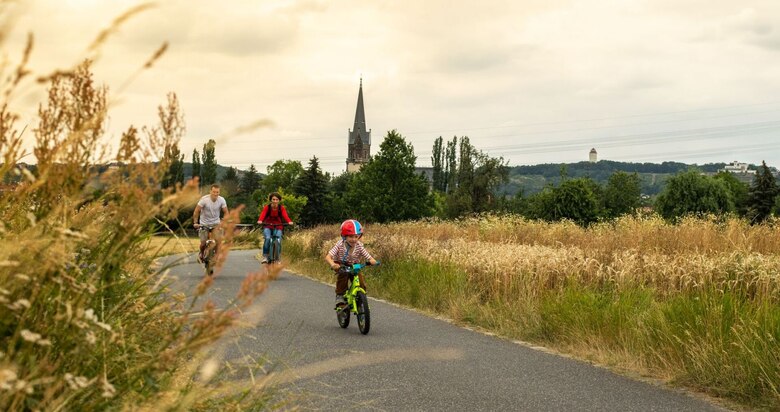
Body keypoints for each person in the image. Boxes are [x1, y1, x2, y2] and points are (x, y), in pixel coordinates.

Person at [325, 219, 378, 308]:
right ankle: (340, 296)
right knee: (343, 277)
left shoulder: (359, 246)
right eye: (350, 236)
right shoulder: (340, 245)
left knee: (361, 283)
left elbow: (367, 255)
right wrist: (333, 264)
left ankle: (360, 298)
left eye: (356, 236)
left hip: (355, 265)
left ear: (359, 237)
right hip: (341, 265)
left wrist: (372, 260)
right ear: (344, 236)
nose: (353, 239)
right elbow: (328, 257)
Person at [193, 184, 229, 262]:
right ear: (210, 191)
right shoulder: (204, 199)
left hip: (216, 223)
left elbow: (226, 212)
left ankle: (216, 256)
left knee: (218, 241)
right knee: (203, 243)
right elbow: (196, 211)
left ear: (219, 192)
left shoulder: (221, 200)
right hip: (204, 224)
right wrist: (195, 222)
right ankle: (201, 253)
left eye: (217, 192)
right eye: (214, 192)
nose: (215, 194)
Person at [257, 192, 294, 263]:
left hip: (278, 225)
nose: (275, 201)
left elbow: (285, 215)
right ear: (271, 200)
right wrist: (260, 220)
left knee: (278, 240)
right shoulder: (267, 207)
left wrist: (289, 221)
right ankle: (265, 256)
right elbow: (263, 214)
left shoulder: (281, 208)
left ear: (279, 200)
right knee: (267, 238)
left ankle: (278, 258)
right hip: (268, 225)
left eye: (277, 199)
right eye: (273, 199)